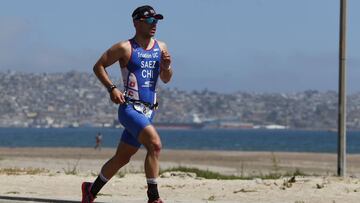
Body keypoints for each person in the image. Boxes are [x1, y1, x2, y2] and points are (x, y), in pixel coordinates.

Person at [81, 5, 172, 203]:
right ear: (136, 22)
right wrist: (112, 88)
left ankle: (90, 190)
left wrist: (166, 67)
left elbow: (166, 79)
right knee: (155, 145)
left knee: (122, 157)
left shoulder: (161, 47)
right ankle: (153, 197)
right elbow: (99, 66)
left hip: (149, 111)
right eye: (149, 21)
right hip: (130, 109)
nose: (154, 24)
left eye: (156, 21)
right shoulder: (125, 47)